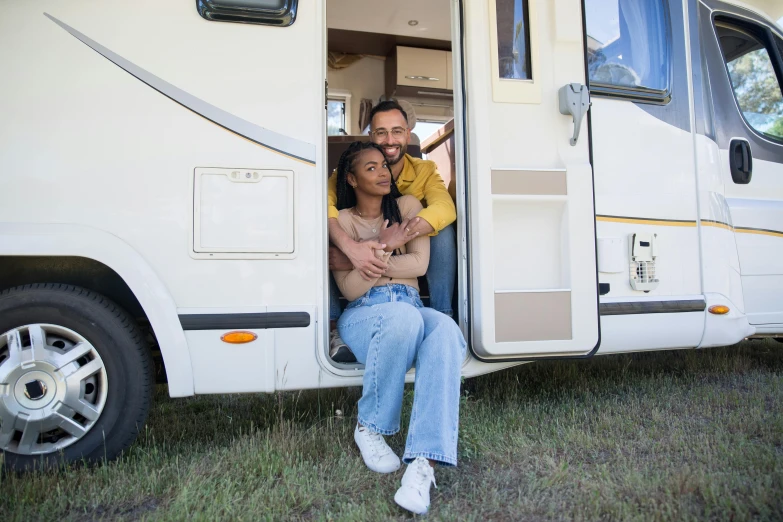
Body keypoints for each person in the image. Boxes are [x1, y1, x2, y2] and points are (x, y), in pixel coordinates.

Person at [331, 141, 466, 515]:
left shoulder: (408, 208)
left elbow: (420, 266)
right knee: (403, 318)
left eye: (383, 166)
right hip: (363, 313)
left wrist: (367, 256)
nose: (382, 172)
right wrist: (387, 246)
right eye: (370, 168)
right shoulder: (342, 220)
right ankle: (370, 425)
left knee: (445, 330)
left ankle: (424, 461)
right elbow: (351, 288)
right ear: (352, 179)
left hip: (409, 306)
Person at [328, 101, 457, 358]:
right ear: (371, 136)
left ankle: (444, 316)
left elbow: (445, 208)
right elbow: (325, 208)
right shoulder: (343, 182)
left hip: (406, 268)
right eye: (381, 132)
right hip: (366, 293)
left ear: (408, 134)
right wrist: (350, 247)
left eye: (397, 131)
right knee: (326, 236)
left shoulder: (423, 173)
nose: (390, 139)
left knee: (441, 230)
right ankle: (332, 325)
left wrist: (399, 234)